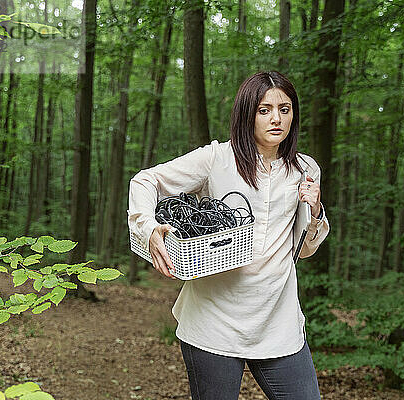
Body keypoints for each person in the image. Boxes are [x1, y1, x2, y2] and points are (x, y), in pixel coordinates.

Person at [128, 71, 329, 400]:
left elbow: (303, 251)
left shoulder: (306, 170)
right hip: (213, 320)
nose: (276, 118)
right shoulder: (217, 158)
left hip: (278, 323)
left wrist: (316, 211)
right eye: (264, 110)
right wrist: (149, 229)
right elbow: (145, 181)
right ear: (247, 114)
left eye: (285, 108)